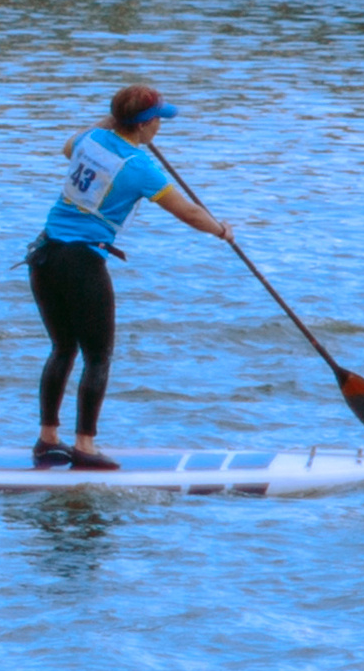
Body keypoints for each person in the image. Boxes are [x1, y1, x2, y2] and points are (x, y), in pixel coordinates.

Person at [28, 81, 233, 470]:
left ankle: (46, 439)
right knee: (98, 356)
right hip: (81, 263)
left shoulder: (90, 139)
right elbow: (187, 213)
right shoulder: (139, 167)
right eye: (157, 119)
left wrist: (116, 119)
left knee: (62, 348)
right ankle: (85, 447)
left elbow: (66, 147)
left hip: (44, 256)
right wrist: (221, 229)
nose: (160, 126)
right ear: (144, 124)